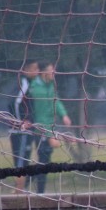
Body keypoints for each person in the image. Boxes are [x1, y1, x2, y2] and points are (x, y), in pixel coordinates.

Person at [27, 61, 71, 194]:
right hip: (39, 130)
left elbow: (56, 101)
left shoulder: (51, 86)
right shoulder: (35, 89)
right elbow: (38, 116)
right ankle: (36, 188)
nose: (54, 73)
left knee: (44, 160)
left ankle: (29, 182)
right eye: (51, 71)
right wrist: (48, 136)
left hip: (49, 128)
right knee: (44, 160)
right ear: (44, 72)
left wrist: (64, 115)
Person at [8, 60, 39, 192]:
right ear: (26, 70)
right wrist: (20, 123)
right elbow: (14, 103)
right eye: (35, 68)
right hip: (20, 132)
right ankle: (18, 193)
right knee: (21, 162)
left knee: (24, 162)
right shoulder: (24, 83)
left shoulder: (28, 83)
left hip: (25, 130)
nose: (37, 71)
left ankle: (20, 191)